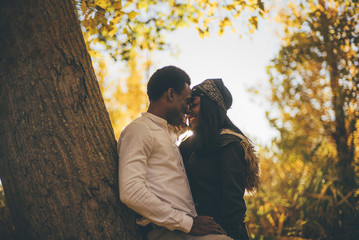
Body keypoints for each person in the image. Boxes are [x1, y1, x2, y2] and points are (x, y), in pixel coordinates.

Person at [118, 66, 232, 240]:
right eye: (186, 101)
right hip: (168, 231)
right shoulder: (139, 130)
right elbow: (131, 191)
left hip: (183, 230)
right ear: (171, 94)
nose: (188, 109)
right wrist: (188, 223)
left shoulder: (166, 134)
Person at [180, 79, 260, 240]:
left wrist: (225, 234)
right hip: (190, 230)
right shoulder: (188, 145)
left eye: (193, 104)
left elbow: (233, 204)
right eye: (187, 106)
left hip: (223, 233)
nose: (187, 111)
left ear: (210, 106)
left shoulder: (229, 144)